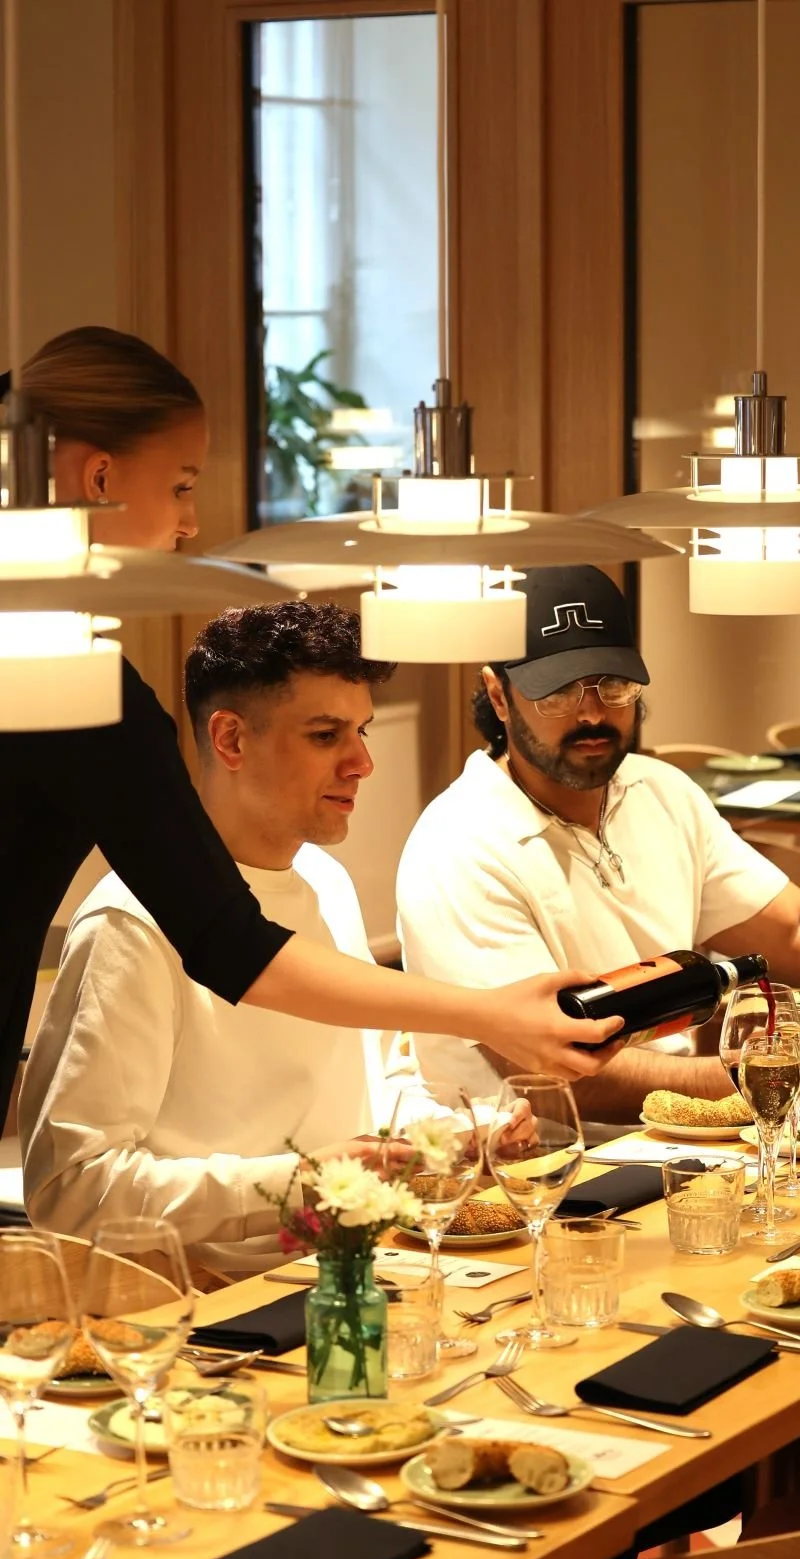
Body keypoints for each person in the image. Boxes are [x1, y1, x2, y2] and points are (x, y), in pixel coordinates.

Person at [0, 330, 620, 1130]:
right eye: (182, 486)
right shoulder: (87, 698)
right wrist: (487, 1013)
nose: (189, 523)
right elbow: (231, 945)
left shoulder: (84, 693)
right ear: (99, 477)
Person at [396, 565, 800, 1117]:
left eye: (613, 686)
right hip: (534, 1159)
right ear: (499, 696)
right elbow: (552, 1073)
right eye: (558, 693)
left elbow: (795, 931)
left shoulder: (660, 791)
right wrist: (750, 1075)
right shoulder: (460, 845)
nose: (592, 713)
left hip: (677, 1138)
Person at [20, 601, 426, 1278]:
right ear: (231, 739)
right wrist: (297, 1182)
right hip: (207, 1301)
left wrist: (448, 1131)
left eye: (361, 731)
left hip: (358, 1266)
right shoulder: (132, 921)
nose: (363, 763)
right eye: (326, 735)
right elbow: (72, 1188)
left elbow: (370, 1088)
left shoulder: (327, 881)